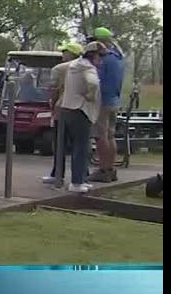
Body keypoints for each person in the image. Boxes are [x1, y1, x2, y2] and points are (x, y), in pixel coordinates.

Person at [58, 42, 103, 193]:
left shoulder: (74, 64)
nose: (101, 60)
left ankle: (81, 179)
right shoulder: (88, 68)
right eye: (100, 56)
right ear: (94, 55)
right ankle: (77, 181)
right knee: (81, 146)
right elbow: (93, 83)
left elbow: (56, 70)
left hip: (67, 107)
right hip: (81, 109)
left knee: (75, 145)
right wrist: (90, 96)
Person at [42, 42, 84, 185]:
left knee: (59, 142)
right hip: (81, 108)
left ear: (70, 54)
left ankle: (58, 173)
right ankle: (82, 174)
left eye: (64, 52)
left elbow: (54, 90)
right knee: (79, 143)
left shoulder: (59, 69)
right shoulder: (87, 68)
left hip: (63, 107)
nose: (62, 55)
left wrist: (52, 105)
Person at [89, 27, 126, 183]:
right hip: (114, 100)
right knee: (110, 136)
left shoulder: (104, 59)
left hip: (103, 101)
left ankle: (103, 169)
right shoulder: (118, 57)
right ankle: (110, 169)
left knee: (100, 137)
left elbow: (97, 81)